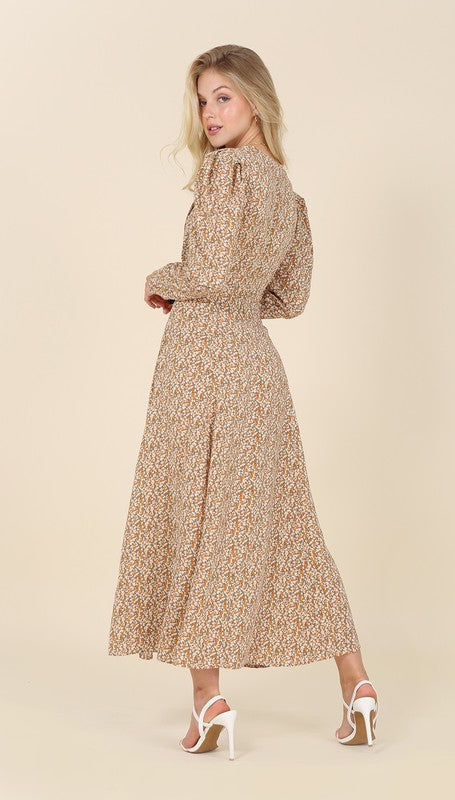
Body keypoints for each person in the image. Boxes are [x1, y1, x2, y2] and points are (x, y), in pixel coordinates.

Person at [108, 44, 379, 759]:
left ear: (255, 98)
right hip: (255, 366)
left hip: (202, 364)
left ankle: (210, 703)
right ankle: (357, 686)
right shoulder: (288, 196)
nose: (209, 113)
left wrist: (161, 276)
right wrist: (219, 290)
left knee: (198, 522)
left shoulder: (227, 175)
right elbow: (287, 297)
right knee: (285, 527)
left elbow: (215, 273)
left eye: (222, 96)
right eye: (201, 100)